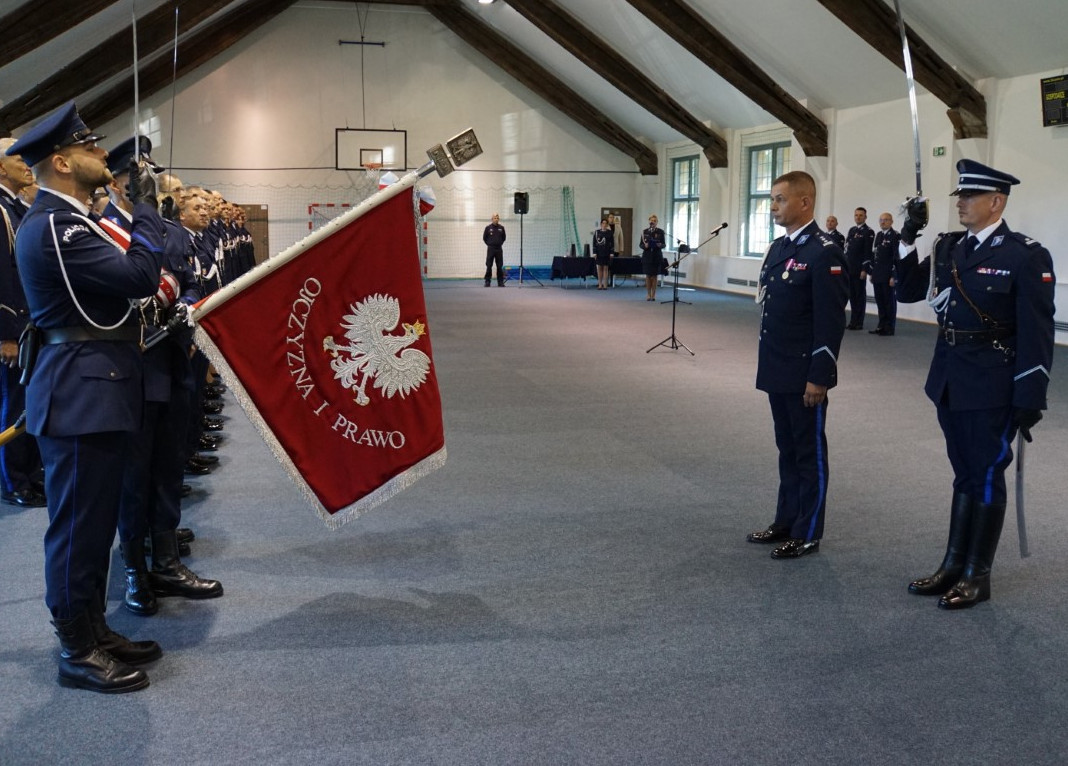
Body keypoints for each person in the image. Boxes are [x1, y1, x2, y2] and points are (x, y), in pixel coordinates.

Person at [8, 102, 166, 692]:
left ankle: (95, 628)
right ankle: (76, 647)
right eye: (91, 148)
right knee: (76, 527)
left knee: (95, 523)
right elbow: (137, 278)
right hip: (78, 389)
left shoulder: (69, 218)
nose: (104, 154)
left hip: (94, 384)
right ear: (62, 162)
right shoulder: (57, 223)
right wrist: (146, 211)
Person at [897, 159, 1055, 609]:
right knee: (964, 471)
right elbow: (907, 290)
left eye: (970, 196)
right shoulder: (948, 248)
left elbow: (1037, 331)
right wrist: (908, 238)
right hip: (950, 377)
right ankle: (952, 564)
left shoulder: (1024, 255)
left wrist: (1030, 394)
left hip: (994, 382)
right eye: (960, 196)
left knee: (985, 473)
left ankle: (977, 575)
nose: (961, 203)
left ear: (996, 201)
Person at [101, 137, 223, 617]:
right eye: (138, 174)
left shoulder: (169, 232)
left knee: (169, 466)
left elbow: (189, 280)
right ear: (116, 182)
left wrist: (189, 306)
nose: (147, 181)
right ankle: (135, 566)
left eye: (150, 171)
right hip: (129, 370)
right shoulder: (99, 229)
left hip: (171, 364)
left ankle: (167, 560)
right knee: (134, 475)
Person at [747, 171, 849, 559]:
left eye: (780, 199)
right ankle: (786, 520)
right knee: (786, 449)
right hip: (777, 367)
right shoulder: (778, 248)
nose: (773, 206)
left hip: (806, 373)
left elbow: (830, 320)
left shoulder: (824, 252)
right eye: (772, 199)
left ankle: (808, 531)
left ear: (804, 202)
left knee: (809, 453)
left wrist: (819, 377)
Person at [0, 137, 46, 508]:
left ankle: (30, 474)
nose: (26, 164)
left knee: (27, 401)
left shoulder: (14, 207)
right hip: (12, 328)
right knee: (13, 406)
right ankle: (13, 481)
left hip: (27, 325)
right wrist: (6, 334)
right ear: (1, 167)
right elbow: (3, 276)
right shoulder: (0, 210)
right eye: (17, 158)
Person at [864, 212, 899, 336]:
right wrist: (871, 272)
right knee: (880, 302)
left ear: (891, 222)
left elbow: (896, 257)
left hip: (887, 275)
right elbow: (875, 255)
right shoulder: (879, 235)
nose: (883, 222)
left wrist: (893, 276)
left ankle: (889, 327)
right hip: (878, 274)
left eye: (886, 220)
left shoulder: (895, 236)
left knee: (889, 302)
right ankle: (881, 325)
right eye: (881, 220)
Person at [844, 207, 874, 330]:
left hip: (859, 269)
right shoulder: (852, 230)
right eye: (856, 215)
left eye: (861, 215)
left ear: (865, 217)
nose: (858, 217)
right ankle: (853, 320)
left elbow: (867, 253)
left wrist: (864, 269)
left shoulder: (869, 232)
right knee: (852, 295)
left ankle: (859, 322)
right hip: (849, 268)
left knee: (859, 296)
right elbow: (847, 249)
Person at [639, 214, 665, 301]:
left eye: (654, 221)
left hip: (656, 256)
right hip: (647, 256)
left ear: (657, 222)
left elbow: (664, 244)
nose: (652, 222)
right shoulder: (644, 232)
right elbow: (640, 244)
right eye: (651, 220)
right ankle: (648, 294)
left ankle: (653, 295)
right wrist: (644, 246)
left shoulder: (660, 232)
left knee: (654, 276)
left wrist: (659, 245)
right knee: (648, 275)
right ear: (649, 221)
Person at [483, 212, 506, 287]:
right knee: (489, 265)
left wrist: (499, 243)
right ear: (492, 219)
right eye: (494, 218)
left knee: (499, 266)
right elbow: (484, 238)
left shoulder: (501, 228)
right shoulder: (488, 228)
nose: (496, 219)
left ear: (498, 219)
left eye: (497, 218)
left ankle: (500, 282)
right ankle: (487, 281)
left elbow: (504, 238)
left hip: (499, 249)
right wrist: (490, 244)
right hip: (491, 249)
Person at [592, 218, 614, 290]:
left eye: (605, 223)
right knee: (599, 269)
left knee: (605, 268)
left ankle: (605, 285)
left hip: (607, 252)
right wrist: (594, 252)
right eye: (603, 223)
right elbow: (594, 243)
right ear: (601, 224)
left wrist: (611, 253)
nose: (604, 225)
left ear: (607, 225)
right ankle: (600, 284)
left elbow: (612, 243)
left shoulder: (610, 232)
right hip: (599, 253)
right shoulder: (597, 232)